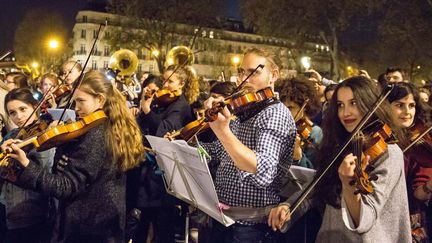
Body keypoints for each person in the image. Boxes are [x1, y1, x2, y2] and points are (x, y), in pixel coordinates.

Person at [1, 70, 145, 242]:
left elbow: (65, 187)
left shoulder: (97, 135)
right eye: (75, 101)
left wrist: (25, 163)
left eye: (81, 101)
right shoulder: (105, 127)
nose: (75, 108)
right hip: (97, 224)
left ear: (100, 99)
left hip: (89, 227)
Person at [269, 76, 411, 242]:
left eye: (354, 103)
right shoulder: (340, 144)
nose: (346, 112)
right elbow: (318, 186)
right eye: (340, 105)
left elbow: (365, 218)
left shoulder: (389, 153)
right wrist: (289, 206)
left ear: (369, 104)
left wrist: (349, 185)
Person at [201, 47, 296, 243]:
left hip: (250, 228)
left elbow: (262, 171)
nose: (243, 79)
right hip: (222, 219)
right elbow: (220, 152)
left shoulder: (274, 114)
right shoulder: (244, 110)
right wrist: (184, 145)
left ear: (273, 75)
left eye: (254, 72)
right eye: (241, 72)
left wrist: (223, 131)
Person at [131, 65, 198, 243]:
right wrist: (144, 106)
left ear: (182, 84)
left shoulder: (181, 106)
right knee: (143, 224)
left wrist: (147, 110)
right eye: (165, 80)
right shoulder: (162, 102)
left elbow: (163, 132)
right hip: (148, 174)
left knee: (162, 226)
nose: (165, 85)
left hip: (162, 178)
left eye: (171, 81)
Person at [0, 88, 55, 243]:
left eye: (23, 109)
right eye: (12, 113)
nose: (19, 116)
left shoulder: (44, 136)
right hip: (8, 207)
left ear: (34, 107)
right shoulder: (12, 135)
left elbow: (44, 174)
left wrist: (19, 160)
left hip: (32, 212)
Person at [387, 82, 432, 242]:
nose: (407, 112)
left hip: (407, 218)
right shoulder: (378, 135)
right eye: (400, 105)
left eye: (411, 106)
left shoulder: (420, 144)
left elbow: (418, 195)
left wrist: (429, 185)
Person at [276, 77, 322, 169]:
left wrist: (298, 158)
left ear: (304, 107)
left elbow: (312, 172)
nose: (284, 113)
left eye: (290, 108)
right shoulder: (275, 126)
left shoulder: (315, 133)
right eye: (282, 107)